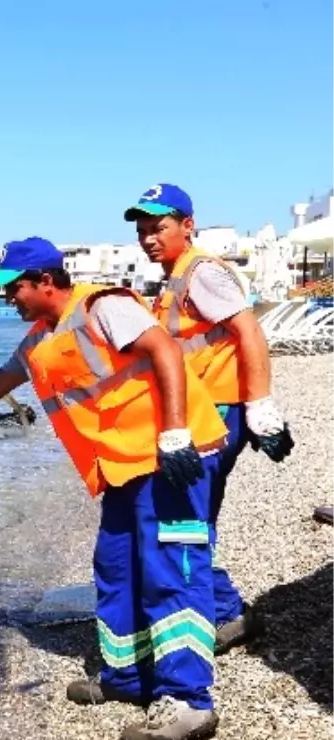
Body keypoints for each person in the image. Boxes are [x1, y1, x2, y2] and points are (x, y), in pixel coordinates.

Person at [0, 237, 230, 740]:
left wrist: (174, 434)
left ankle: (187, 700)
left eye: (13, 288)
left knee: (171, 569)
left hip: (169, 456)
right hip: (123, 467)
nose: (7, 298)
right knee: (116, 565)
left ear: (44, 281)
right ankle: (129, 676)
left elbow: (166, 351)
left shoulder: (104, 307)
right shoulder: (40, 338)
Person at [124, 183, 294, 653]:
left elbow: (250, 332)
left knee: (178, 521)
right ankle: (225, 612)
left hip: (215, 415)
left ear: (187, 225)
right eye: (142, 231)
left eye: (158, 228)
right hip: (206, 413)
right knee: (191, 520)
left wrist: (260, 406)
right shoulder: (177, 274)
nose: (148, 238)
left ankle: (205, 622)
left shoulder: (200, 271)